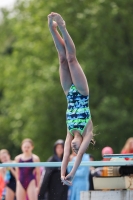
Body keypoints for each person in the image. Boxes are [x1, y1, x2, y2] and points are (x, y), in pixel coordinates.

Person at [48, 12, 95, 186]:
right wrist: (72, 173)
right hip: (82, 92)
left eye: (73, 148)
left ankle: (53, 30)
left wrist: (63, 174)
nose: (74, 148)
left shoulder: (69, 133)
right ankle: (63, 27)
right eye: (77, 147)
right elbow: (79, 156)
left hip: (68, 92)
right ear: (82, 143)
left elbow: (66, 155)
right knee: (71, 59)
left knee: (62, 60)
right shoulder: (87, 130)